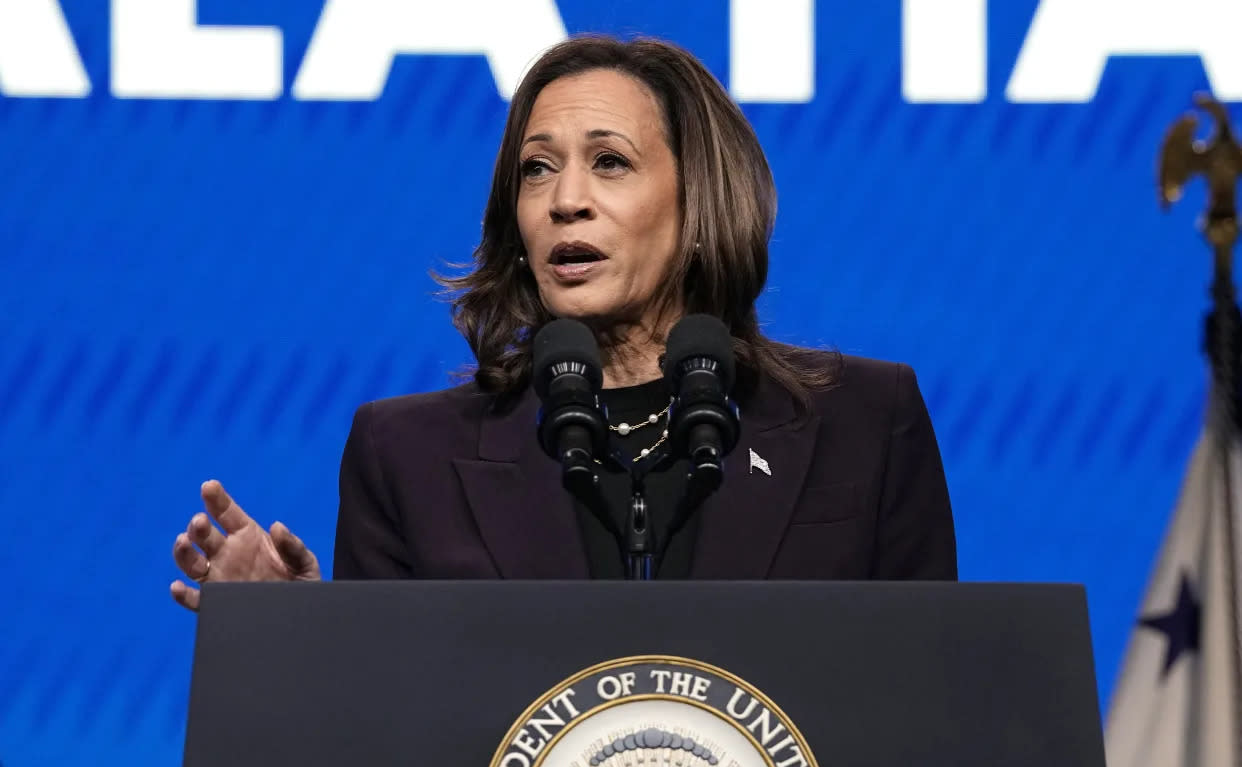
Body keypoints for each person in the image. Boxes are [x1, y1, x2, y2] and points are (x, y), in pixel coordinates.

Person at [169, 35, 956, 611]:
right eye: (536, 168)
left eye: (609, 162)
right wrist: (304, 644)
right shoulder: (409, 457)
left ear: (700, 200)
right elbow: (390, 757)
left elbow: (934, 706)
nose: (563, 200)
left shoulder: (861, 423)